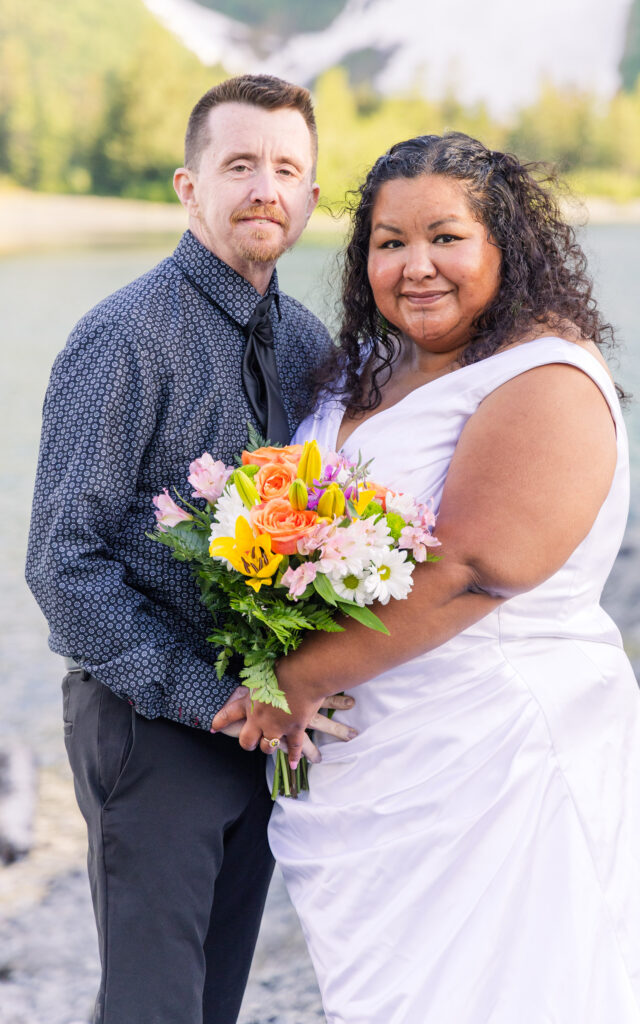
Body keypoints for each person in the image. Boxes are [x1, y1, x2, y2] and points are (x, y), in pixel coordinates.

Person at [217, 133, 640, 1021]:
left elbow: (475, 566)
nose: (415, 266)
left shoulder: (541, 377)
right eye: (389, 243)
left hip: (501, 761)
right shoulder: (366, 371)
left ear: (503, 245)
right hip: (371, 775)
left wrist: (296, 676)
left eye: (445, 237)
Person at [25, 74, 356, 1024]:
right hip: (151, 721)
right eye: (240, 164)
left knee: (212, 999)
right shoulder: (122, 338)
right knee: (151, 1005)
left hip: (256, 724)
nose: (265, 188)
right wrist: (209, 696)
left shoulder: (302, 340)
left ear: (308, 193)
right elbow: (62, 558)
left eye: (287, 168)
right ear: (188, 185)